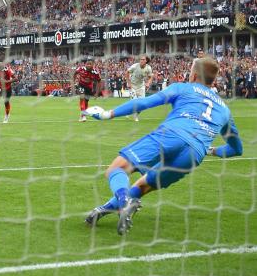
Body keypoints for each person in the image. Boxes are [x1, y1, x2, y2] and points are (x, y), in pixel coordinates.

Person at [83, 57, 243, 235]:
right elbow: (237, 149)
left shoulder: (182, 87)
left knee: (116, 168)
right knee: (143, 185)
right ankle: (105, 209)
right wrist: (211, 150)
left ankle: (123, 202)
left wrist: (107, 114)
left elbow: (144, 102)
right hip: (194, 154)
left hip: (171, 135)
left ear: (195, 75)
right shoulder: (225, 110)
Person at [125, 55, 153, 121]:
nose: (141, 61)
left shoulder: (148, 68)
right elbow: (127, 72)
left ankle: (132, 113)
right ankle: (135, 116)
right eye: (140, 59)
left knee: (142, 104)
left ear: (146, 61)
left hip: (141, 86)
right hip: (132, 85)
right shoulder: (135, 66)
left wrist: (148, 83)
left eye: (143, 59)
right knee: (134, 101)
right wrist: (129, 83)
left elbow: (151, 76)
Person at [74, 57, 101, 122]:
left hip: (89, 87)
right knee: (82, 97)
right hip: (81, 85)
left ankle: (82, 114)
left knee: (86, 102)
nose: (88, 65)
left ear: (93, 65)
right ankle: (83, 115)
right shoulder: (81, 69)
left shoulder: (95, 72)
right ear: (85, 64)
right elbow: (74, 73)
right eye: (87, 64)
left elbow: (99, 81)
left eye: (90, 64)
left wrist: (97, 93)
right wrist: (74, 81)